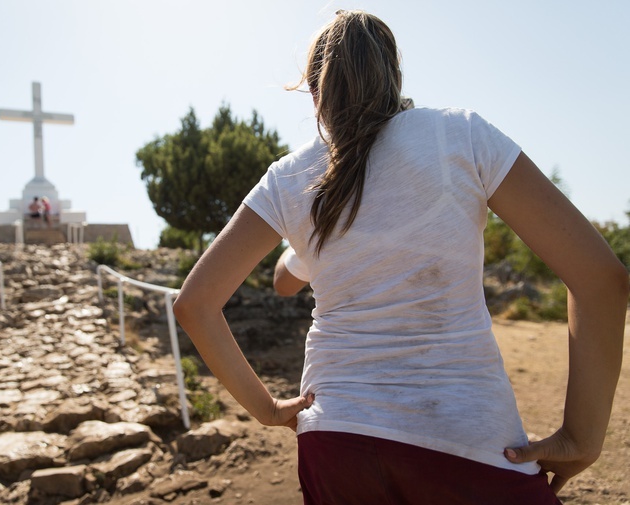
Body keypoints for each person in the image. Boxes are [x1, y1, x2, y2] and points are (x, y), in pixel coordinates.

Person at [173, 10, 628, 505]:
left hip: (334, 436)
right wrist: (583, 437)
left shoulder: (290, 177)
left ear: (315, 91)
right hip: (464, 438)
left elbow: (196, 303)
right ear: (393, 74)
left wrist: (266, 409)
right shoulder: (461, 135)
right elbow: (601, 279)